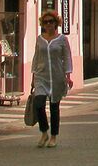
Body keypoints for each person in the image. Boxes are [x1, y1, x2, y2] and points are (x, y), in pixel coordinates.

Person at [31, 10, 73, 148]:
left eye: (51, 22)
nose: (48, 24)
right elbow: (36, 58)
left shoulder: (62, 39)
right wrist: (33, 76)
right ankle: (44, 132)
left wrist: (68, 76)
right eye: (45, 22)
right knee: (39, 104)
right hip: (41, 76)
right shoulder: (39, 39)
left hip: (56, 77)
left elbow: (67, 57)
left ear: (56, 23)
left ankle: (53, 136)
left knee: (54, 107)